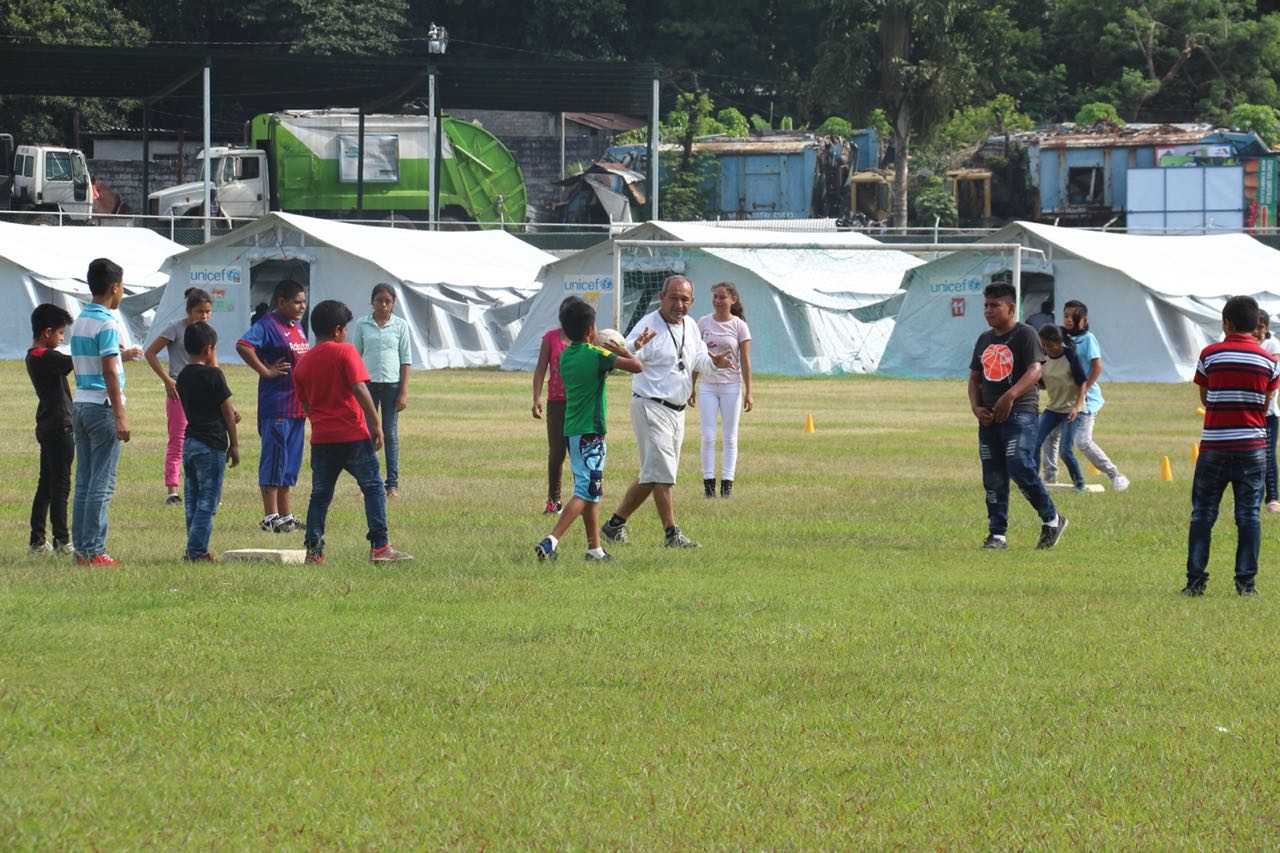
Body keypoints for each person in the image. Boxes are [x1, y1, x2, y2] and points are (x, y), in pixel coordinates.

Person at [600, 275, 732, 549]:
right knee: (663, 474)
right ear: (661, 297)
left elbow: (697, 361)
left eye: (685, 299)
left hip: (677, 410)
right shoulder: (649, 324)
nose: (679, 304)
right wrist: (636, 346)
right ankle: (672, 534)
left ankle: (614, 524)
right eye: (673, 297)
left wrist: (715, 363)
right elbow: (625, 353)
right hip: (651, 405)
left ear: (692, 302)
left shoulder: (691, 326)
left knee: (653, 472)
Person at [292, 299, 413, 564]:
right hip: (352, 435)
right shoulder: (345, 352)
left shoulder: (302, 363)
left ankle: (314, 551)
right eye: (345, 329)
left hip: (322, 439)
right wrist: (376, 423)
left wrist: (320, 422)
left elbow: (306, 404)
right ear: (337, 330)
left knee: (320, 496)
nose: (346, 333)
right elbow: (360, 388)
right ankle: (380, 546)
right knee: (373, 488)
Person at [534, 300, 645, 562]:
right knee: (585, 492)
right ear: (590, 330)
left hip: (573, 431)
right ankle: (551, 541)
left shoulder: (566, 355)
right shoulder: (598, 355)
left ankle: (594, 549)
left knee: (591, 489)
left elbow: (593, 375)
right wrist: (624, 351)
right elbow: (638, 368)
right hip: (592, 434)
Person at [1184, 295, 1280, 596]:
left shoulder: (1210, 355)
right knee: (1249, 516)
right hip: (1252, 448)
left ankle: (1196, 581)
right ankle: (1246, 584)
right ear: (1257, 326)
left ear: (1227, 324)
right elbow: (1265, 404)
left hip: (1214, 446)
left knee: (1203, 514)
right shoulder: (1270, 362)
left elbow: (1205, 397)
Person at [968, 281, 1067, 550]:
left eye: (994, 305)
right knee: (993, 475)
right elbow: (974, 378)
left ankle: (1052, 519)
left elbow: (1035, 371)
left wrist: (1010, 396)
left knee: (1019, 464)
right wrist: (976, 408)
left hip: (1020, 412)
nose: (988, 310)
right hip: (989, 417)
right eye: (986, 305)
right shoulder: (984, 339)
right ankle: (997, 535)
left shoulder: (1026, 334)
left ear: (1011, 308)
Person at [70, 258, 142, 566]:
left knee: (84, 480)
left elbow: (97, 362)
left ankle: (82, 549)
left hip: (81, 403)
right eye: (123, 287)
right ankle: (95, 549)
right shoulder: (109, 323)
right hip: (103, 406)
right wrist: (120, 414)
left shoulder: (81, 320)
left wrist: (121, 357)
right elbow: (110, 373)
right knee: (102, 481)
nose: (123, 292)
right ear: (114, 287)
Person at [236, 280, 310, 534]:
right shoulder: (268, 324)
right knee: (274, 460)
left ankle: (286, 515)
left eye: (303, 301)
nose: (302, 306)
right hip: (277, 405)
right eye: (297, 302)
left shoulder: (296, 325)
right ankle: (270, 517)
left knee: (289, 464)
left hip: (297, 406)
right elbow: (243, 345)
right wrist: (266, 370)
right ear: (281, 302)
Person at [1050, 299, 1129, 492]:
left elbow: (1097, 367)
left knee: (1082, 442)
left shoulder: (1088, 339)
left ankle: (1115, 475)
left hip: (1086, 400)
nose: (1068, 320)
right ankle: (1050, 478)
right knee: (1050, 435)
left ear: (1083, 321)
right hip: (1065, 399)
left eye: (1073, 317)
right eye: (1065, 315)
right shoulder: (1062, 338)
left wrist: (1084, 389)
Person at [176, 322, 240, 561]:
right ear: (209, 349)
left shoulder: (182, 376)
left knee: (192, 499)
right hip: (211, 445)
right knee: (208, 501)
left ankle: (192, 547)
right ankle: (196, 551)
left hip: (190, 442)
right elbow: (225, 410)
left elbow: (206, 407)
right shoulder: (214, 375)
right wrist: (234, 444)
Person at [144, 287, 213, 506]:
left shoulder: (207, 331)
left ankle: (204, 488)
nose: (203, 316)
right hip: (179, 391)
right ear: (189, 310)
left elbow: (213, 362)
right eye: (199, 311)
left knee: (204, 440)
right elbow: (150, 353)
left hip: (201, 391)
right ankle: (172, 490)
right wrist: (167, 380)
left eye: (207, 312)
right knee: (178, 440)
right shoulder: (176, 328)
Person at [692, 281, 753, 499]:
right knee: (708, 436)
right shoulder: (703, 323)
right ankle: (708, 486)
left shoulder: (739, 326)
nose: (718, 301)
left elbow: (745, 361)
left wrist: (749, 391)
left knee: (729, 438)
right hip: (708, 385)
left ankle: (727, 486)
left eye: (722, 297)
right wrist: (692, 386)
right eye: (715, 297)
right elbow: (696, 357)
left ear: (732, 300)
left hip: (731, 386)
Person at [349, 284, 411, 498]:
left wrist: (403, 392)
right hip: (368, 386)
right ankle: (367, 484)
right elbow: (355, 356)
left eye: (388, 301)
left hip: (392, 386)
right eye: (379, 301)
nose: (383, 305)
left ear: (393, 303)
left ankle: (392, 485)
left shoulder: (401, 326)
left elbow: (406, 360)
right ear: (372, 302)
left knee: (390, 435)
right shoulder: (362, 324)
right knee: (367, 434)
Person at [26, 304, 76, 555]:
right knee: (60, 486)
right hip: (60, 427)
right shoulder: (43, 356)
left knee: (46, 484)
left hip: (48, 425)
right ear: (47, 332)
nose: (62, 338)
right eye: (60, 333)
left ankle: (37, 540)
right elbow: (75, 361)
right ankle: (61, 540)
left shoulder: (34, 356)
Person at [531, 296, 583, 514]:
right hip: (557, 404)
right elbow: (541, 368)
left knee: (579, 454)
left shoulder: (585, 338)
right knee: (557, 453)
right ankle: (554, 500)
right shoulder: (551, 338)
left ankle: (582, 499)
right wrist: (536, 398)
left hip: (580, 404)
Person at [1034, 325, 1089, 492]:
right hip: (1053, 409)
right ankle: (1033, 481)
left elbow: (1082, 383)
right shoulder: (1043, 357)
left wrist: (1076, 406)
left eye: (1050, 345)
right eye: (1043, 345)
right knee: (1035, 442)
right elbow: (1042, 384)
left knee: (1065, 451)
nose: (1047, 349)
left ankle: (1079, 483)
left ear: (1059, 342)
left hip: (1071, 410)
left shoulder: (1070, 357)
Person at [1256, 312, 1280, 513]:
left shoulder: (1272, 346)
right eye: (1255, 326)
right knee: (1252, 456)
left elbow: (1272, 369)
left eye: (1262, 327)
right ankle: (1255, 495)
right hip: (1251, 413)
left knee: (1268, 455)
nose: (1258, 331)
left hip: (1269, 414)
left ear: (1267, 328)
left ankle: (1272, 497)